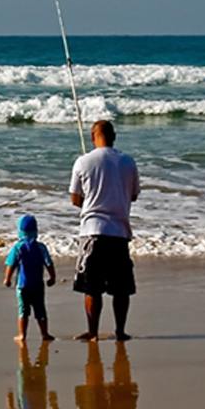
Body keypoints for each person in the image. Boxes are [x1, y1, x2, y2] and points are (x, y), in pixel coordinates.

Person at [69, 120, 140, 341]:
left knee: (92, 287)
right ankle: (119, 331)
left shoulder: (83, 161)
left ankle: (92, 332)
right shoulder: (128, 162)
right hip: (119, 231)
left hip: (92, 231)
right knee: (121, 288)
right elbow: (134, 195)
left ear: (92, 137)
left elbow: (75, 198)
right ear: (114, 136)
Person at [3, 214, 57, 342]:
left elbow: (11, 265)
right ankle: (45, 334)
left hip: (23, 286)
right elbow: (49, 263)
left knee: (23, 311)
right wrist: (52, 277)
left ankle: (22, 335)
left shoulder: (18, 248)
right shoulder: (41, 247)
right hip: (38, 285)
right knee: (40, 310)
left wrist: (7, 279)